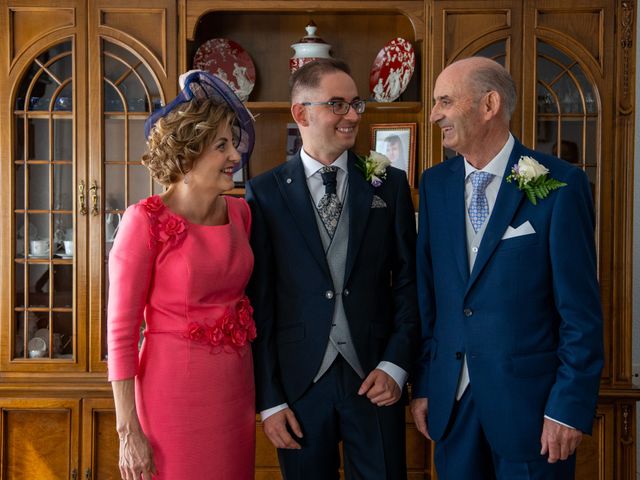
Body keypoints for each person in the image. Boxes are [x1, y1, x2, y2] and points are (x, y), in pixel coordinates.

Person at [411, 56, 603, 479]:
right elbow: (431, 298)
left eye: (445, 100)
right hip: (452, 407)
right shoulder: (435, 185)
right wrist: (425, 384)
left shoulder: (561, 185)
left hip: (533, 415)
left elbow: (581, 314)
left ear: (489, 104)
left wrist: (567, 409)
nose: (434, 115)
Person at [246, 58, 417, 479]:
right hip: (299, 385)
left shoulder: (389, 184)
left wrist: (396, 365)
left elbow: (411, 283)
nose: (354, 115)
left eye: (356, 103)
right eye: (338, 104)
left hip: (375, 380)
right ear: (301, 113)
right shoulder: (264, 193)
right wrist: (270, 400)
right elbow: (259, 304)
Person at [107, 70, 256, 480]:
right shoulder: (144, 221)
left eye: (234, 143)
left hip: (235, 393)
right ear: (188, 154)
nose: (235, 156)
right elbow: (120, 334)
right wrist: (128, 431)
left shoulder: (241, 214)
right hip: (171, 394)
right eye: (221, 145)